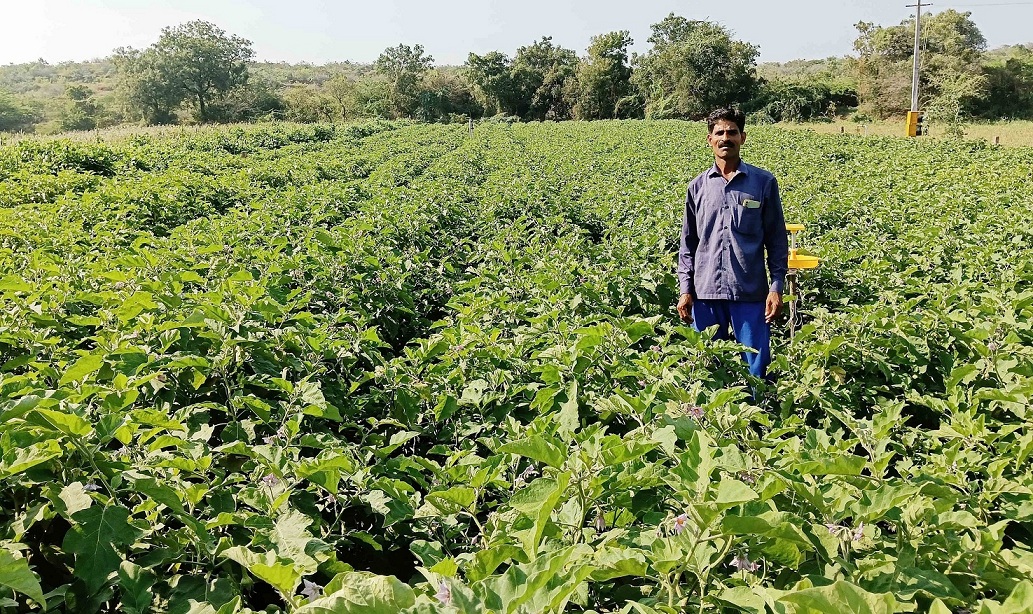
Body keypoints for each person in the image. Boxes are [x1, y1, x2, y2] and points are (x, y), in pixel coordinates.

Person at [677, 107, 789, 380]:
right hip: (705, 294)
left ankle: (757, 419)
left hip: (749, 292)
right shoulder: (697, 187)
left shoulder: (763, 183)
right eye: (719, 133)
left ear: (743, 138)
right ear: (710, 140)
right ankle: (708, 422)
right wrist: (685, 289)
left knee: (756, 367)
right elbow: (688, 244)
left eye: (732, 132)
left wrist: (776, 287)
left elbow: (776, 240)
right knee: (706, 367)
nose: (725, 138)